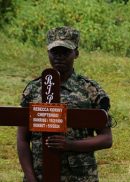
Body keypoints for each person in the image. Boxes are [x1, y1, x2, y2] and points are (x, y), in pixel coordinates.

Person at [17, 26, 112, 182]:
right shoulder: (33, 89)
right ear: (48, 52)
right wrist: (30, 178)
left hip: (80, 177)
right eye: (54, 52)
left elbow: (106, 139)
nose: (59, 57)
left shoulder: (90, 90)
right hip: (40, 175)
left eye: (65, 52)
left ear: (76, 53)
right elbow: (22, 139)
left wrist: (69, 145)